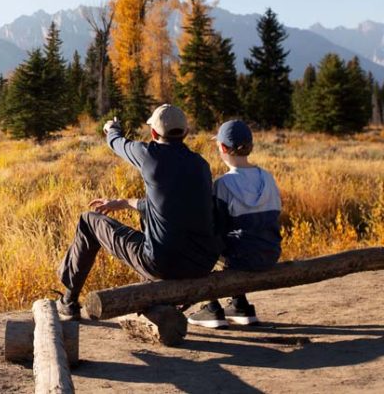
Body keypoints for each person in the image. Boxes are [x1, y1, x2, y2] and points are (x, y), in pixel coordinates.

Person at [56, 104, 221, 320]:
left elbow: (116, 143)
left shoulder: (149, 155)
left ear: (153, 133)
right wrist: (124, 203)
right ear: (186, 132)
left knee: (88, 221)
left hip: (163, 264)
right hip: (202, 263)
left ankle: (68, 302)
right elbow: (169, 204)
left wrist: (112, 128)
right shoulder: (200, 165)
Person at [187, 119, 282, 328]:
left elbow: (215, 229)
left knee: (207, 248)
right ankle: (240, 305)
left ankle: (211, 308)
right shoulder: (267, 177)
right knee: (244, 238)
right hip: (270, 253)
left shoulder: (223, 184)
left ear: (222, 148)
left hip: (241, 259)